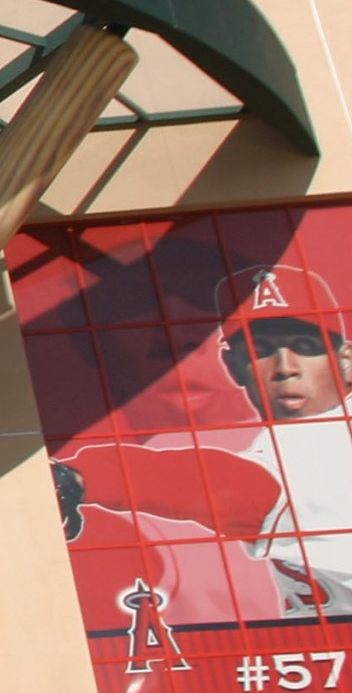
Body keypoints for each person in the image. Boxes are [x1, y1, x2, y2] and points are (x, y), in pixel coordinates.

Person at [55, 264, 352, 618]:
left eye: (305, 346)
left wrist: (87, 476)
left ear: (345, 360)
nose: (285, 367)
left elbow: (221, 484)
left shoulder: (319, 445)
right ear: (233, 365)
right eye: (261, 350)